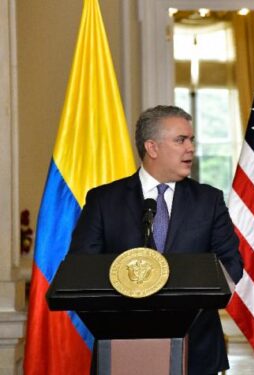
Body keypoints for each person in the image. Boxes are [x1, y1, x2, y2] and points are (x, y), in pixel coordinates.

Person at [69, 105, 244, 374]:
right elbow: (83, 267)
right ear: (152, 148)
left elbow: (231, 263)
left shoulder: (209, 200)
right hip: (123, 347)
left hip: (196, 348)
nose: (190, 148)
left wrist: (186, 298)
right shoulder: (104, 200)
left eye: (191, 140)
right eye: (180, 140)